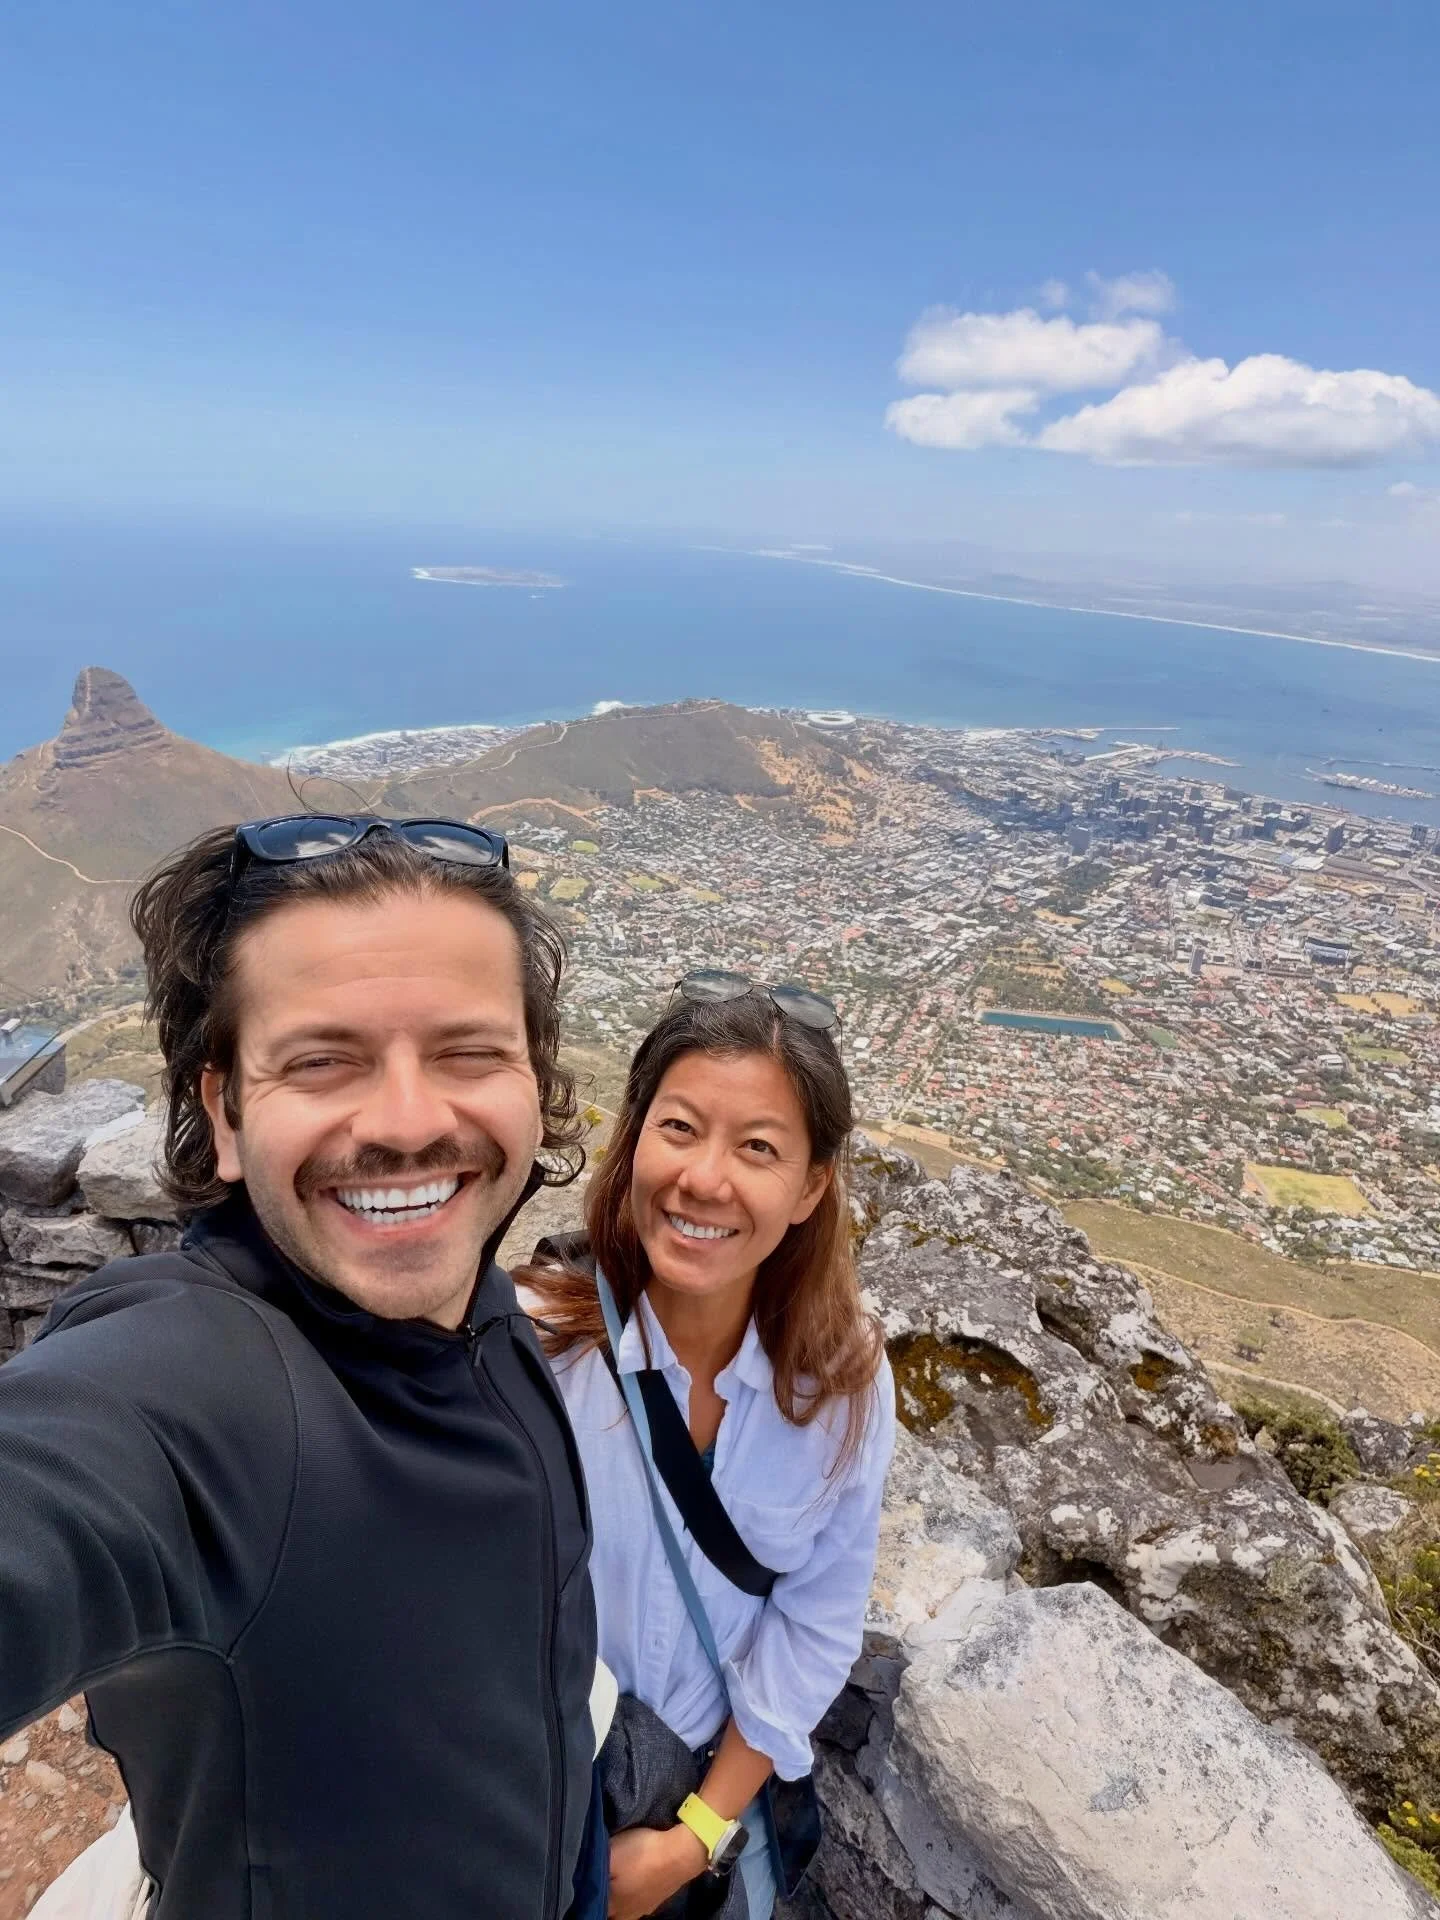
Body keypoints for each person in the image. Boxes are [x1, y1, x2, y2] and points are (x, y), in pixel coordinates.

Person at [0, 815, 598, 1920]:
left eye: (470, 1052)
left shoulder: (479, 1302)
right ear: (224, 1114)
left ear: (534, 1076)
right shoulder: (208, 1391)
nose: (412, 1121)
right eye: (324, 1061)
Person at [522, 971, 896, 1920]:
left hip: (689, 1802)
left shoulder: (840, 1388)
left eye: (759, 1148)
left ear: (811, 1187)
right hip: (526, 1787)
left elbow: (813, 1623)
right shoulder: (538, 1341)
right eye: (679, 1127)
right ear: (636, 1136)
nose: (704, 1179)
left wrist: (692, 1841)